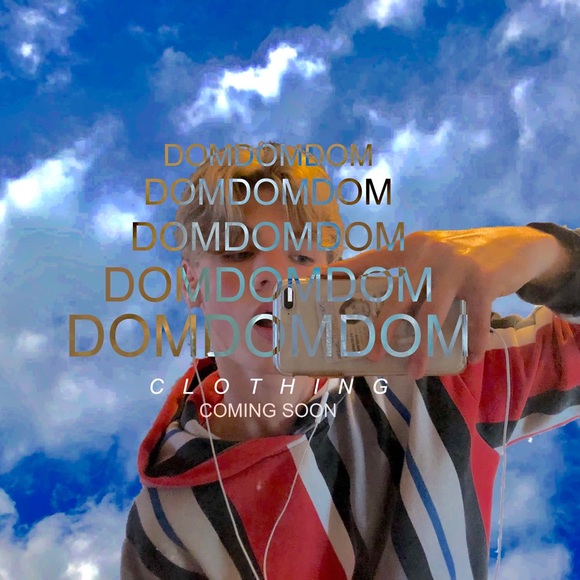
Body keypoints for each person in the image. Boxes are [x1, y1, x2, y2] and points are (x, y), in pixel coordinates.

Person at [121, 143, 580, 579]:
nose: (273, 276)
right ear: (192, 282)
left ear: (335, 270)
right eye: (237, 253)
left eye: (301, 255)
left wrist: (542, 252)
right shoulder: (162, 527)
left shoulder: (436, 372)